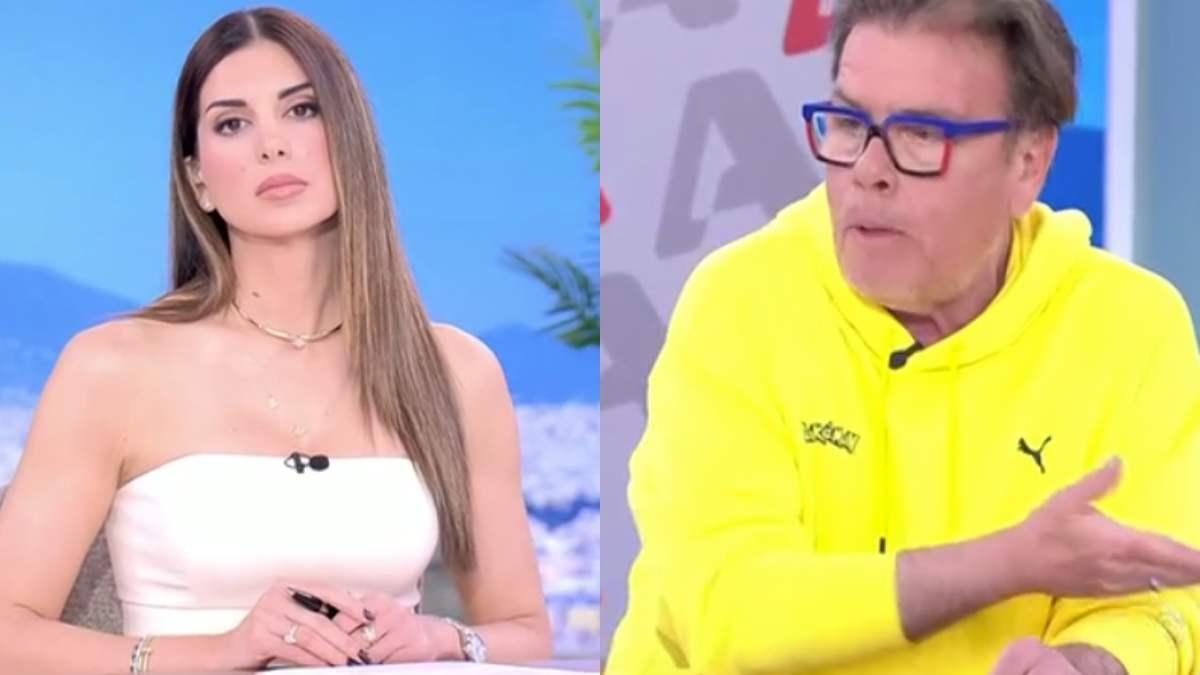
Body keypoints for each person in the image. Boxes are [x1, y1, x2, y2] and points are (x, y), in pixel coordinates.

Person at [606, 1, 1200, 673]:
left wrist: (1089, 664)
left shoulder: (1129, 324)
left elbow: (1155, 602)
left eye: (921, 135)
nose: (868, 169)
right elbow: (730, 613)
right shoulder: (738, 301)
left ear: (1029, 162)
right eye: (849, 123)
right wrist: (1009, 562)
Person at [0, 7, 552, 673]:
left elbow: (526, 632)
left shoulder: (455, 372)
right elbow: (8, 633)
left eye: (302, 110)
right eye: (232, 124)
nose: (272, 145)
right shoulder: (112, 368)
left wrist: (439, 638)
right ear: (198, 179)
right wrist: (224, 650)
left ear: (350, 139)